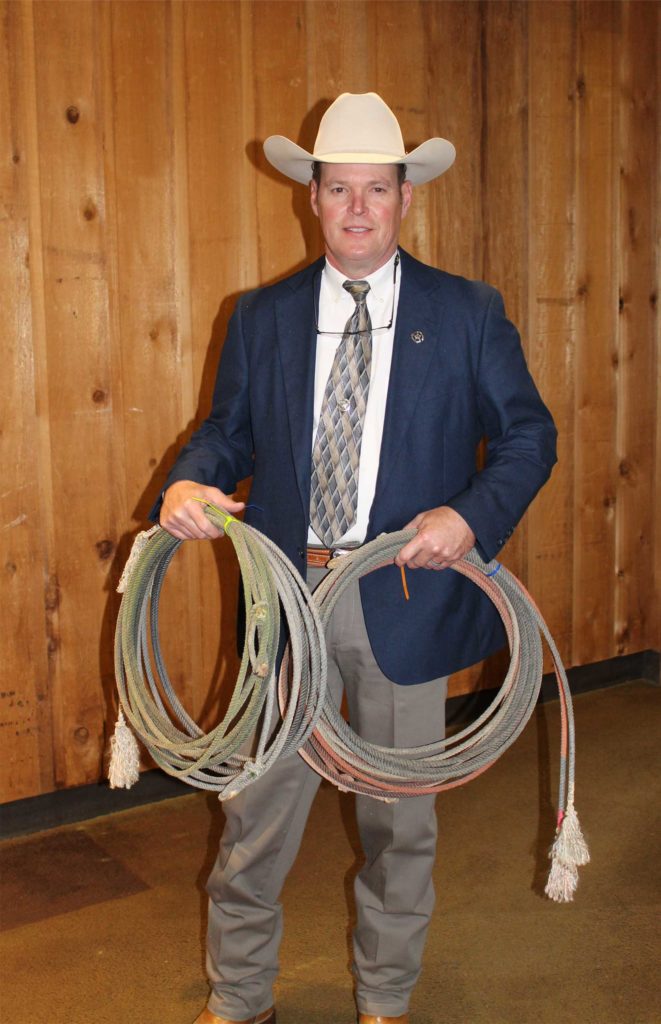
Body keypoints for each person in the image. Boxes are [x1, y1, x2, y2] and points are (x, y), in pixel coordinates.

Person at [155, 93, 557, 1024]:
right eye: (340, 189)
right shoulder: (262, 316)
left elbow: (528, 437)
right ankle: (239, 996)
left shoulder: (466, 312)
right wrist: (189, 481)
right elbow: (226, 433)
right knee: (256, 815)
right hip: (289, 600)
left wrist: (470, 515)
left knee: (398, 823)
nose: (359, 208)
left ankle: (384, 999)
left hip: (404, 600)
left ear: (406, 199)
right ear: (313, 198)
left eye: (377, 189)